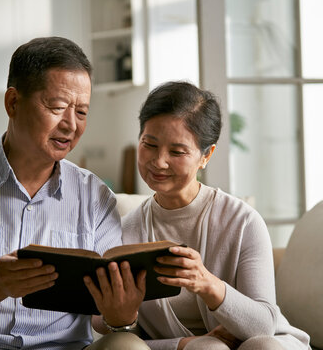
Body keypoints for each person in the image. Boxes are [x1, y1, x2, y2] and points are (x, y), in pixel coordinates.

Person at [0, 37, 148, 350]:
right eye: (57, 107)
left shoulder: (95, 195)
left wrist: (120, 316)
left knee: (127, 344)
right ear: (13, 102)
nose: (71, 125)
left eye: (81, 112)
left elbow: (102, 320)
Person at [118, 81, 311, 350]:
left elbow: (263, 328)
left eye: (177, 151)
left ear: (206, 155)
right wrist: (186, 343)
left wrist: (208, 284)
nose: (159, 161)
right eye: (149, 144)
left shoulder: (243, 222)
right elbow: (119, 333)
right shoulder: (126, 231)